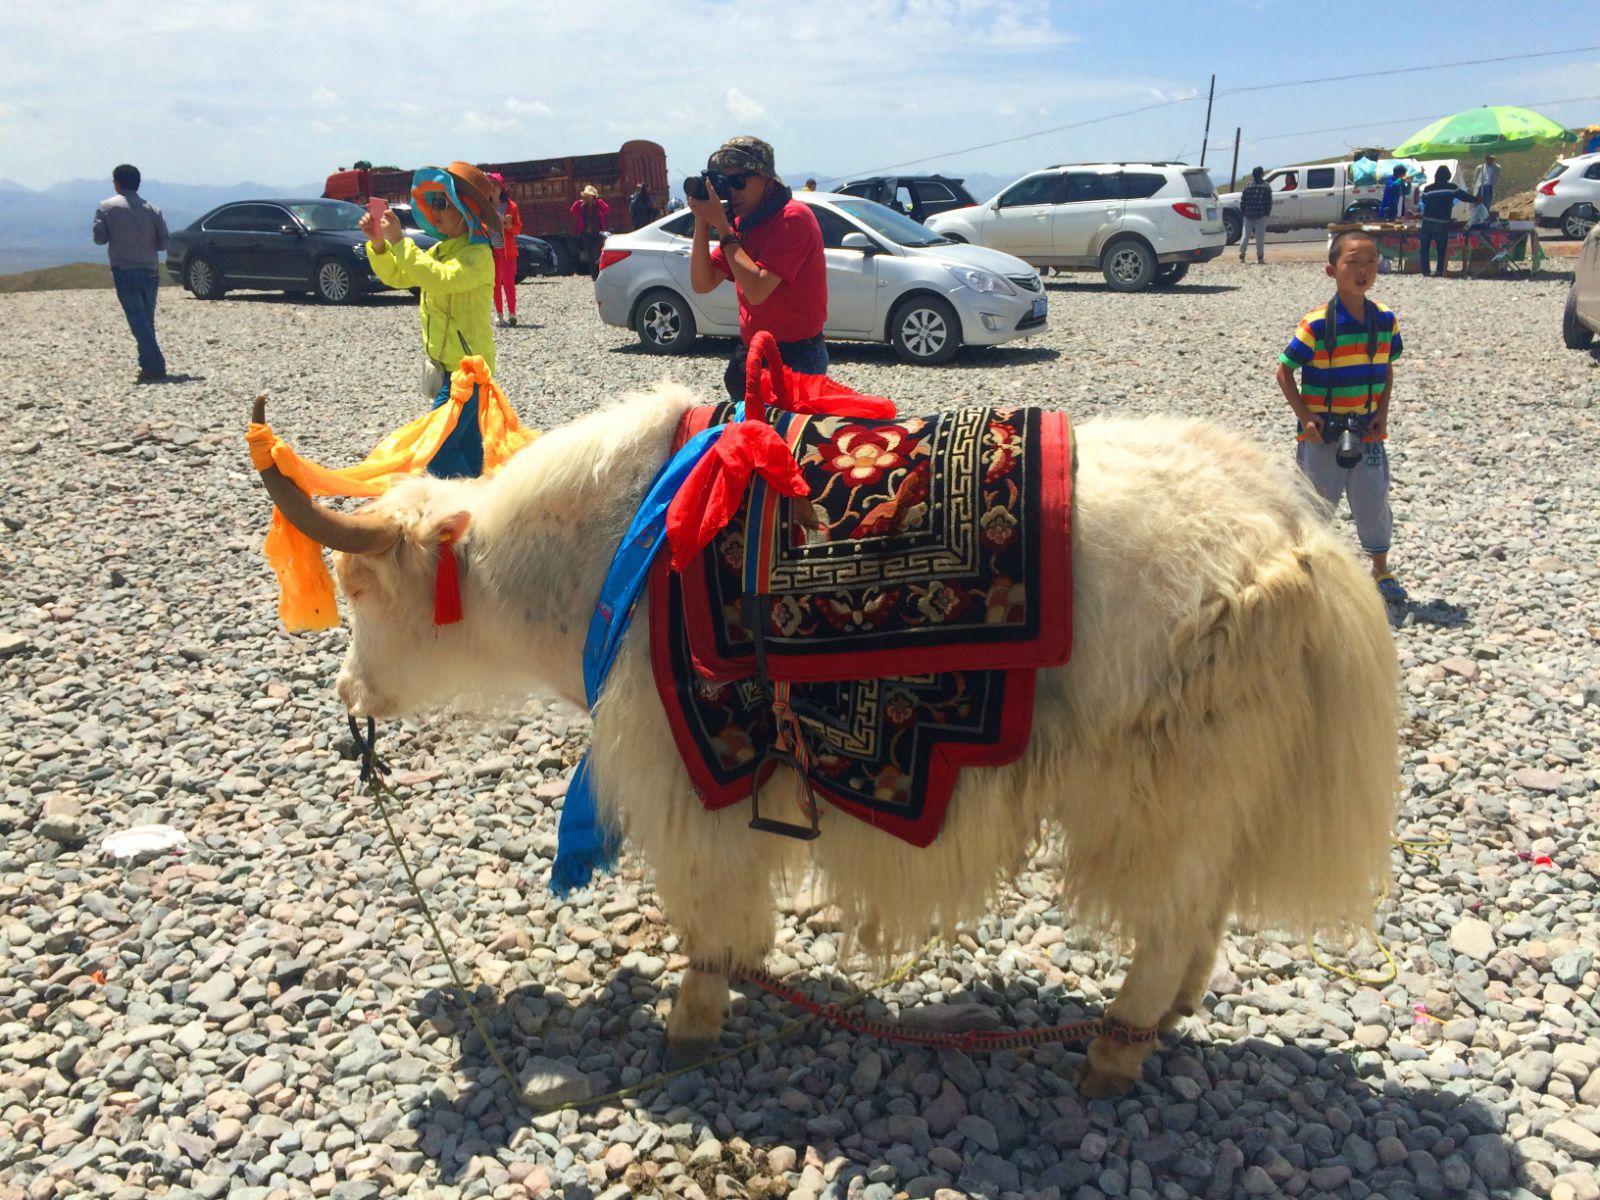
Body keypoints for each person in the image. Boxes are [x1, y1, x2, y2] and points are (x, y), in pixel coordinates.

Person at [1275, 231, 1406, 603]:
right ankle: (1304, 570)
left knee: (1373, 503)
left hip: (1367, 432)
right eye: (1352, 261)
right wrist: (1307, 418)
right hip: (1322, 437)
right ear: (1331, 270)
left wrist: (1381, 412)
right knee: (1313, 506)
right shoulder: (1316, 324)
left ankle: (1381, 570)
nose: (1363, 270)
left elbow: (1387, 368)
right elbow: (1284, 370)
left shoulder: (1385, 321)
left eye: (1370, 261)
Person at [361, 161, 500, 479]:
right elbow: (399, 275)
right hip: (450, 368)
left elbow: (439, 278)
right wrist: (380, 244)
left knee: (436, 449)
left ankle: (471, 511)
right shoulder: (441, 250)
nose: (435, 210)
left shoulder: (477, 256)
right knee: (467, 446)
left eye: (443, 203)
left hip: (467, 373)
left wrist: (400, 243)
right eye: (433, 202)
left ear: (466, 210)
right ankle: (485, 513)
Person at [686, 135, 828, 401]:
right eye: (725, 184)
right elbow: (702, 283)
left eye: (738, 181)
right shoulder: (745, 223)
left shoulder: (792, 218)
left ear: (766, 179)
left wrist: (723, 227)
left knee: (790, 440)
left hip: (797, 358)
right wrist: (702, 221)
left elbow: (758, 290)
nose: (732, 191)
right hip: (754, 353)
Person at [93, 164, 169, 383]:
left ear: (117, 183)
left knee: (137, 321)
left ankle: (156, 365)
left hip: (124, 269)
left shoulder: (106, 206)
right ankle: (148, 366)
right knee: (146, 320)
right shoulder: (153, 209)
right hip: (150, 270)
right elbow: (164, 243)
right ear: (138, 183)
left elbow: (99, 238)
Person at [1416, 166, 1478, 277]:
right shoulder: (1452, 188)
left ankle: (1426, 271)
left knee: (1425, 248)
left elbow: (1424, 202)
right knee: (1441, 248)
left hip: (1427, 221)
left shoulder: (1428, 189)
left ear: (1436, 176)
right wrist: (1477, 199)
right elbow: (1464, 197)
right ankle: (1439, 271)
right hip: (1441, 222)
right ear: (1448, 176)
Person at [489, 172, 522, 327]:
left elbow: (517, 229)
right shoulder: (485, 207)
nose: (492, 188)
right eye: (490, 185)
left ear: (501, 187)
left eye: (495, 185)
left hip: (507, 250)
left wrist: (507, 225)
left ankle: (512, 313)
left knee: (509, 282)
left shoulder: (511, 206)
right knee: (495, 283)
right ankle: (499, 314)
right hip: (492, 250)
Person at [570, 184, 609, 281]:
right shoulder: (580, 205)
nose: (589, 198)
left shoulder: (598, 203)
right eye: (587, 196)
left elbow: (606, 209)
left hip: (597, 232)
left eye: (590, 196)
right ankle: (594, 275)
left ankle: (600, 273)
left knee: (599, 254)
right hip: (586, 233)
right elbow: (573, 211)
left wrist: (599, 201)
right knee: (590, 254)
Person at [1238, 166, 1272, 264]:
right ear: (1262, 174)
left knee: (1245, 235)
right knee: (1260, 236)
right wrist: (1267, 213)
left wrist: (1244, 212)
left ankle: (1242, 255)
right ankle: (1260, 257)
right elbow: (1269, 202)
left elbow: (1242, 201)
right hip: (1261, 214)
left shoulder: (1247, 186)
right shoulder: (1266, 186)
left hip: (1248, 214)